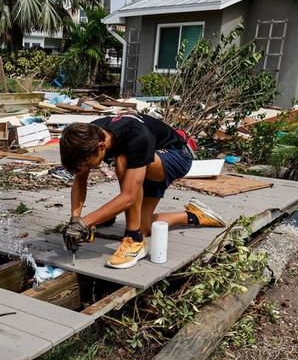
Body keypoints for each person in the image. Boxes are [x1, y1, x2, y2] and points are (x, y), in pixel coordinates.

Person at [59, 113, 224, 269]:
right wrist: (76, 219)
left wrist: (85, 223)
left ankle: (134, 240)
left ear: (102, 147)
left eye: (88, 165)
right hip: (144, 162)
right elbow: (80, 180)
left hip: (177, 155)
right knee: (143, 225)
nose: (86, 169)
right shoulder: (89, 136)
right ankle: (195, 215)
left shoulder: (136, 137)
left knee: (123, 160)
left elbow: (128, 197)